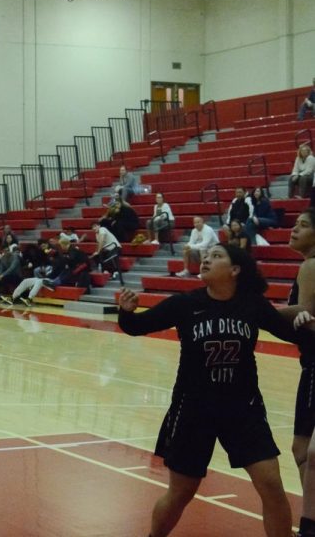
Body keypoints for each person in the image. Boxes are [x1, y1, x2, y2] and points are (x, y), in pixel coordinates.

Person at [118, 244, 300, 537]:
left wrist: (304, 323)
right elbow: (138, 326)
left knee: (271, 484)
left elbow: (288, 332)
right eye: (206, 255)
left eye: (217, 256)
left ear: (234, 270)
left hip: (244, 409)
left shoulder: (252, 304)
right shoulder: (185, 304)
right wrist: (126, 312)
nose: (206, 259)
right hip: (194, 409)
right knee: (181, 493)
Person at [278, 209, 315, 536]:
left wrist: (259, 312)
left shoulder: (311, 266)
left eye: (303, 225)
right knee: (301, 450)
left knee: (311, 453)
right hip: (310, 363)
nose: (294, 229)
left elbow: (304, 314)